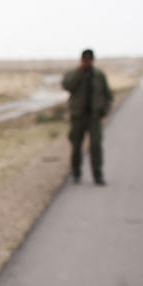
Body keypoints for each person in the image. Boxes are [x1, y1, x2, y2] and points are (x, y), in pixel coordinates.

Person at [62, 48, 113, 185]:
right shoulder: (74, 74)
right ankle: (76, 173)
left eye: (89, 59)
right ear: (81, 60)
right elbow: (67, 85)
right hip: (78, 116)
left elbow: (107, 94)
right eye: (85, 59)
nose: (87, 62)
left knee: (95, 145)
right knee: (76, 146)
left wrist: (105, 109)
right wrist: (80, 72)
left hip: (94, 117)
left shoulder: (98, 75)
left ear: (93, 60)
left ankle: (98, 175)